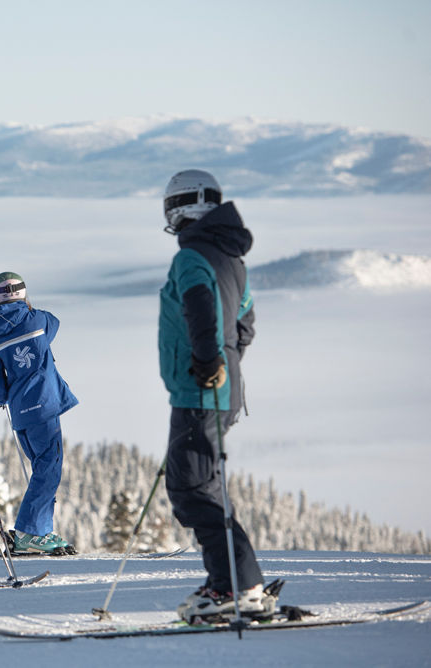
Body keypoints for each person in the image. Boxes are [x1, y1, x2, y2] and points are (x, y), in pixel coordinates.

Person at [157, 170, 276, 622]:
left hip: (200, 388)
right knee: (203, 486)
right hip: (220, 389)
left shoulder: (192, 257)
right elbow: (245, 324)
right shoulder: (230, 257)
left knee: (190, 488)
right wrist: (226, 363)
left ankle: (235, 587)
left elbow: (201, 306)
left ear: (183, 207)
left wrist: (208, 361)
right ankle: (238, 581)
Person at [0, 273, 78, 554]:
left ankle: (41, 530)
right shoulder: (38, 320)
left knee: (42, 469)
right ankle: (30, 532)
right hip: (44, 404)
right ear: (23, 294)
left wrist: (3, 397)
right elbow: (54, 324)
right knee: (49, 468)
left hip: (20, 410)